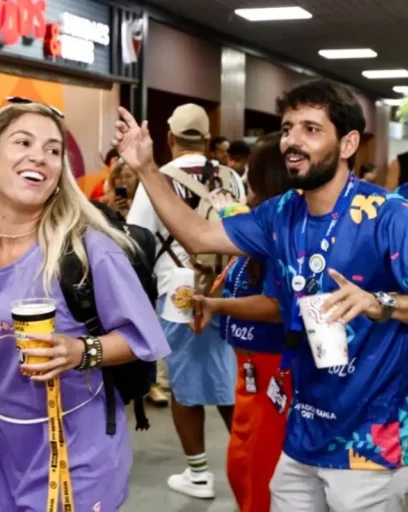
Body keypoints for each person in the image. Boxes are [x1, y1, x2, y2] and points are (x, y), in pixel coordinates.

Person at [113, 79, 408, 511]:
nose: (292, 141)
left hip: (370, 445)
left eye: (311, 129)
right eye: (288, 128)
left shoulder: (389, 216)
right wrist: (145, 168)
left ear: (347, 144)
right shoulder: (281, 212)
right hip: (303, 432)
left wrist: (380, 303)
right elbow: (199, 235)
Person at [0, 99, 171, 510]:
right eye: (23, 142)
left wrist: (80, 351)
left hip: (79, 452)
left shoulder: (86, 250)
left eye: (53, 150)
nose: (39, 156)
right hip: (1, 450)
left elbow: (143, 336)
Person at [127, 102, 245, 499]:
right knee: (230, 380)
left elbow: (138, 238)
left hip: (178, 292)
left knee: (183, 382)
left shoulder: (157, 178)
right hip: (227, 292)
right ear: (208, 139)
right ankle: (248, 465)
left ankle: (198, 473)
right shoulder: (231, 177)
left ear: (170, 137)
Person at [192, 132, 293, 512]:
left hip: (274, 369)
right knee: (243, 465)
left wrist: (218, 305)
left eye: (252, 174)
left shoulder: (281, 232)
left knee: (259, 470)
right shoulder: (254, 223)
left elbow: (278, 305)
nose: (245, 180)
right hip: (248, 369)